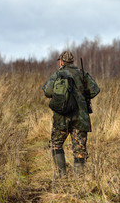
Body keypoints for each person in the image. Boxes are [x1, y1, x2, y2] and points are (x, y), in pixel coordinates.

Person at [42, 51, 100, 179]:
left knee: (56, 144)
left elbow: (47, 91)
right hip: (80, 118)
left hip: (61, 118)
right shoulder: (82, 73)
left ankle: (61, 174)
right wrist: (83, 95)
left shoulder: (57, 74)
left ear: (61, 62)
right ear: (73, 62)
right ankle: (79, 180)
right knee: (79, 150)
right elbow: (95, 90)